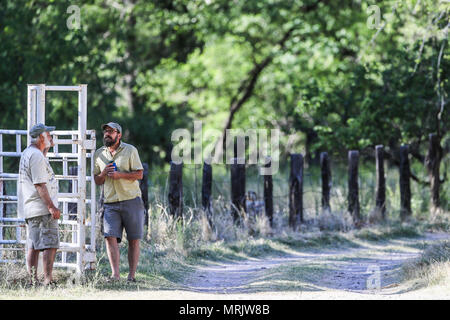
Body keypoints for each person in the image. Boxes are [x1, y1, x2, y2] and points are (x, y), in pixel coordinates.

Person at [93, 122, 145, 282]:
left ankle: (131, 276)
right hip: (110, 202)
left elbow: (139, 174)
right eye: (105, 132)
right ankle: (115, 275)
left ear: (119, 135)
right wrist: (103, 173)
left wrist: (119, 175)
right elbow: (97, 180)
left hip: (131, 200)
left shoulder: (130, 150)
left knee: (133, 239)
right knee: (110, 237)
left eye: (111, 131)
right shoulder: (99, 154)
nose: (107, 134)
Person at [17, 123, 60, 286]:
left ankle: (32, 281)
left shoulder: (31, 153)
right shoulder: (36, 156)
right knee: (50, 244)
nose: (51, 137)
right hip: (41, 208)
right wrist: (51, 206)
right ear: (41, 137)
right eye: (48, 135)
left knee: (34, 245)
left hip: (32, 207)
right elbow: (40, 184)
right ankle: (48, 281)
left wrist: (46, 148)